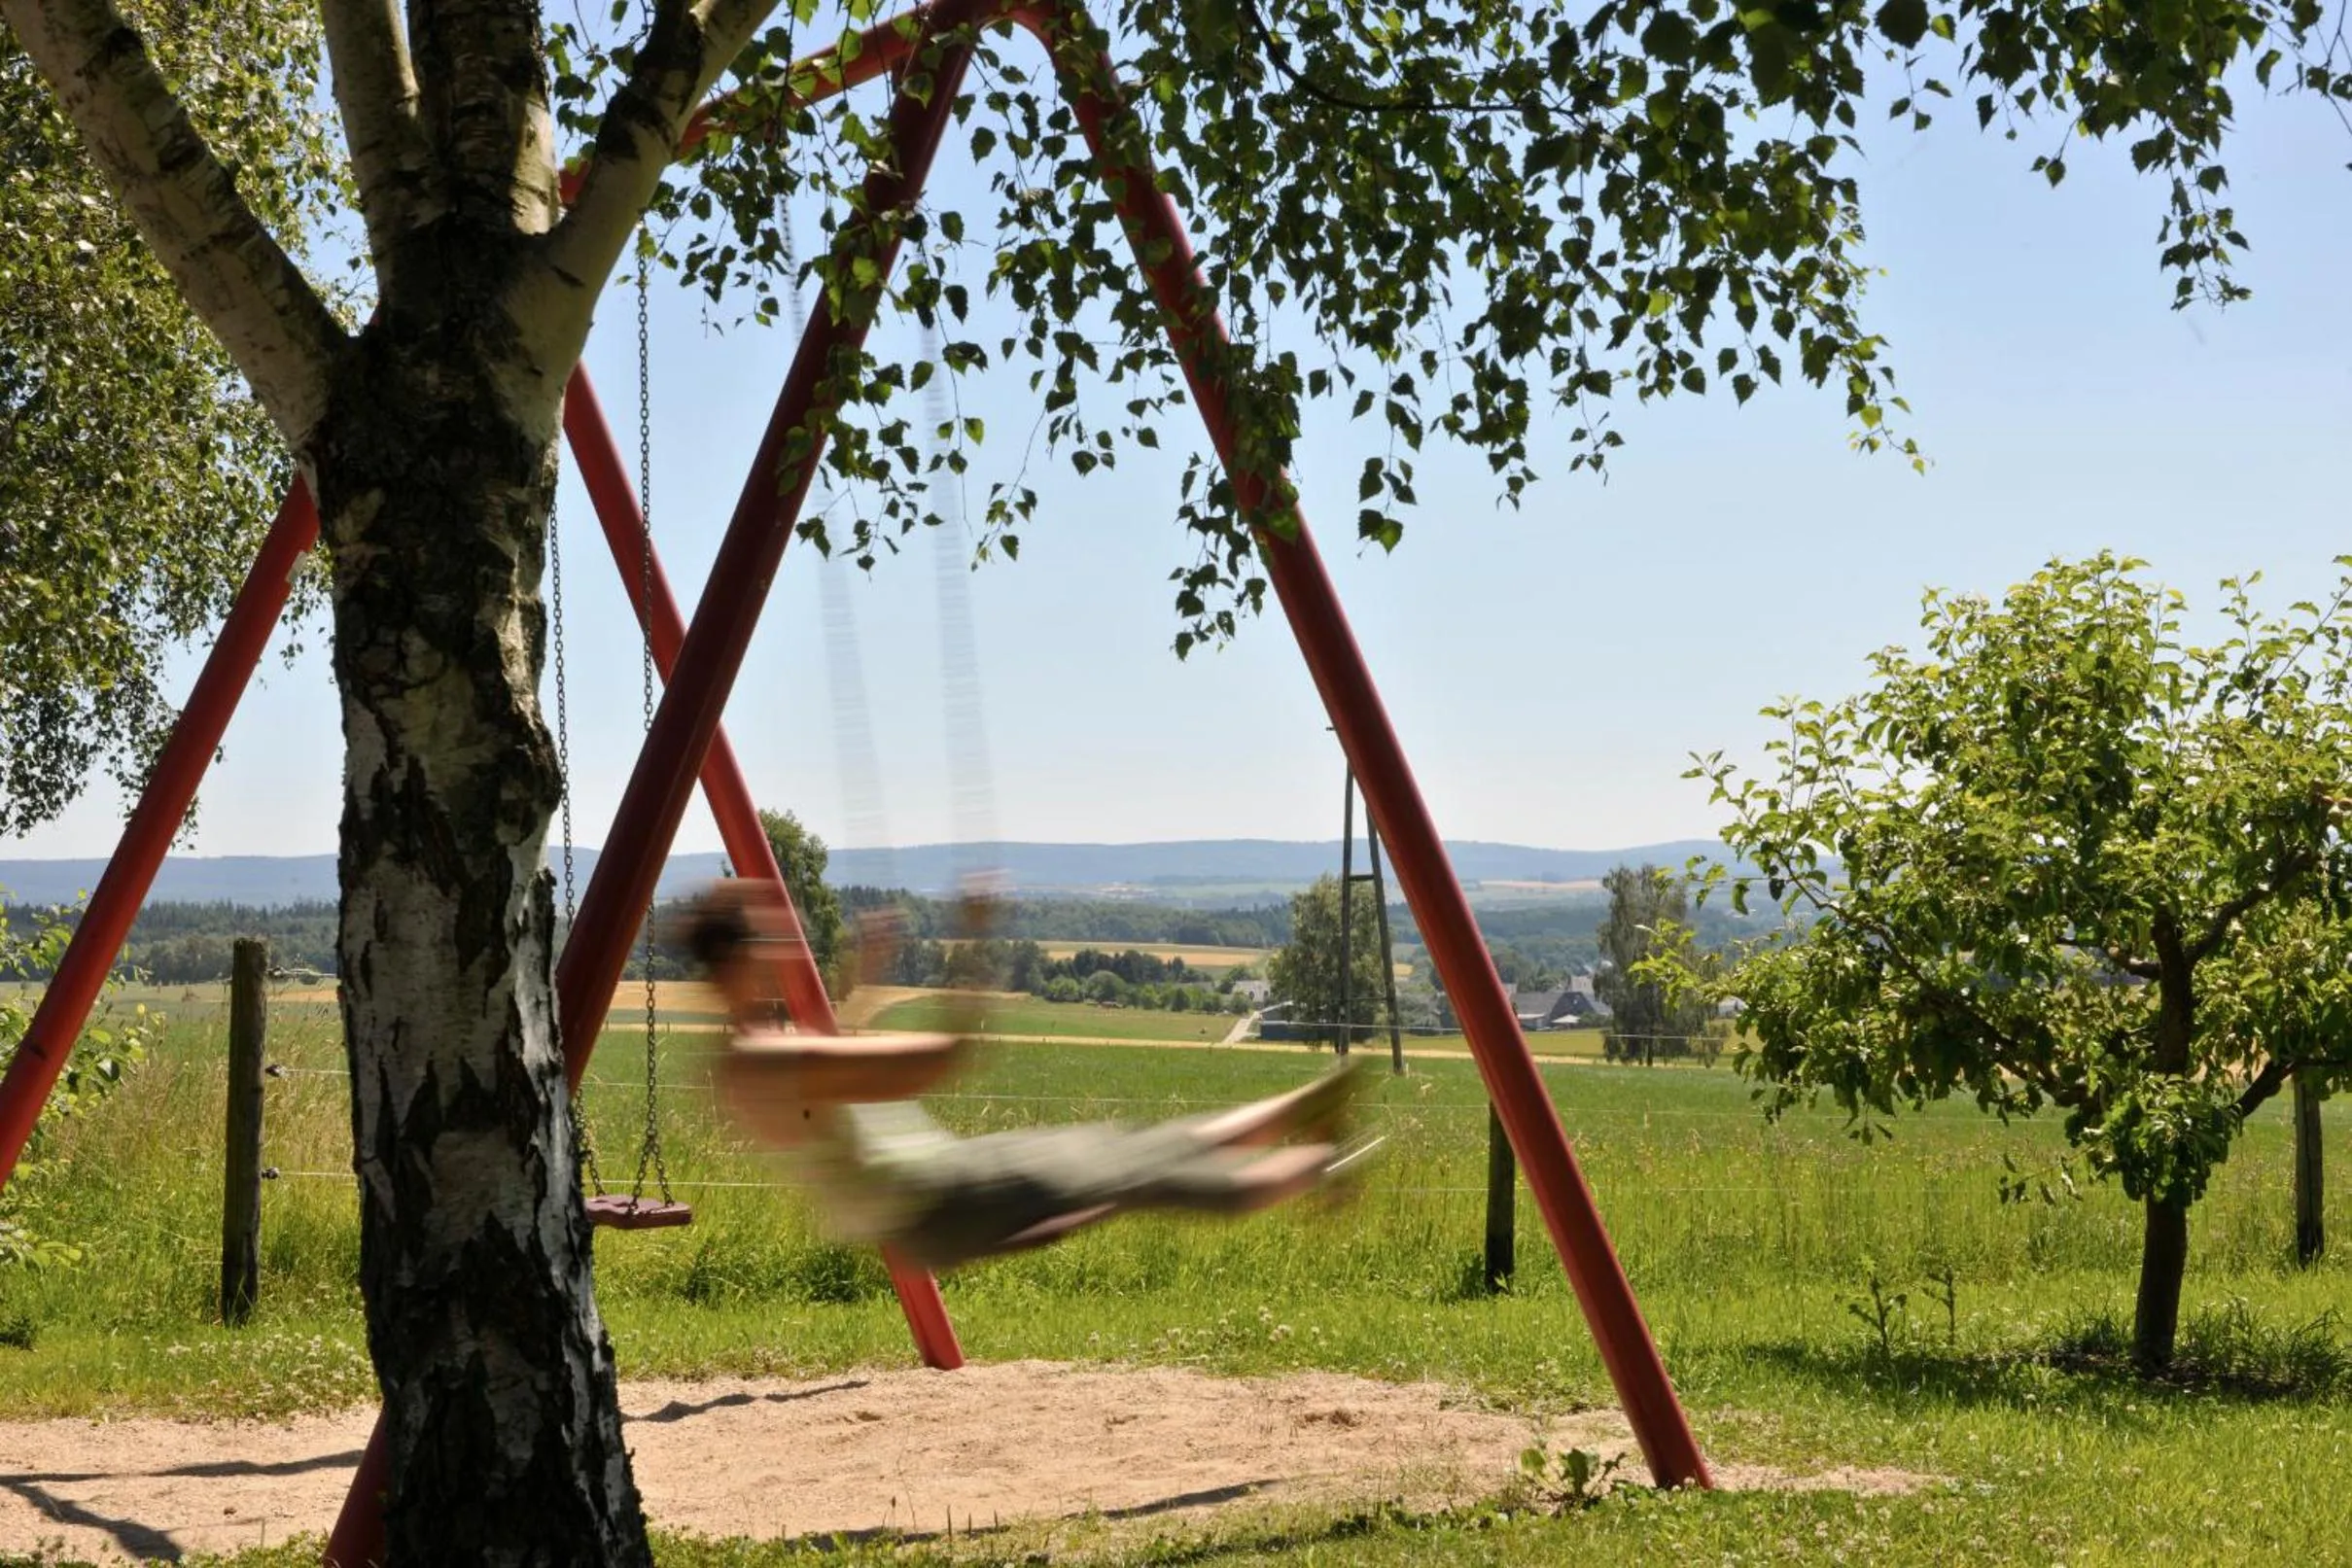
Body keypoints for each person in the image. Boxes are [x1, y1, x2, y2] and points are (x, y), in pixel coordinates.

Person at [686, 881, 1372, 1272]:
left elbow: (829, 1059)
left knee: (1140, 1146)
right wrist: (975, 943)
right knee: (1146, 1171)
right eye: (776, 937)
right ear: (741, 956)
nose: (790, 947)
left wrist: (865, 970)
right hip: (943, 1201)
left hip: (951, 1180)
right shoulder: (767, 1059)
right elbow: (940, 1060)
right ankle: (1317, 1159)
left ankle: (1305, 1113)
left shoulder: (755, 1045)